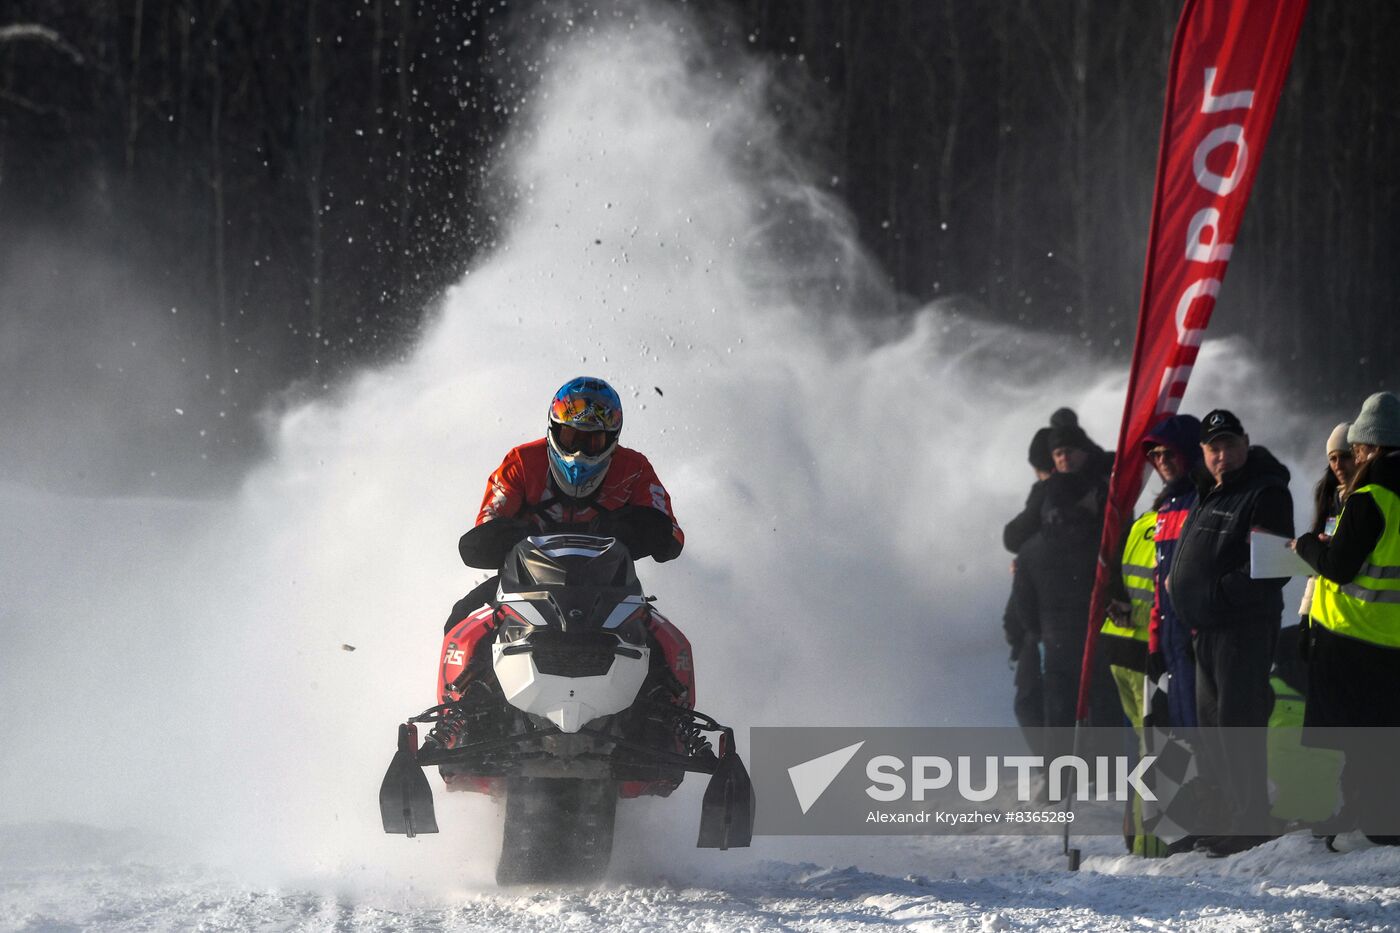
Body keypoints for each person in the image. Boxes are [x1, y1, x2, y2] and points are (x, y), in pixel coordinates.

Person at [426, 376, 685, 750]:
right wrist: (507, 532)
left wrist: (640, 528)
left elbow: (671, 536)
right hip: (526, 582)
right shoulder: (521, 462)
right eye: (570, 438)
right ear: (553, 431)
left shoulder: (634, 469)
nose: (579, 453)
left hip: (608, 585)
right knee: (465, 621)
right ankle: (463, 718)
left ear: (612, 439)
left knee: (658, 640)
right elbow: (484, 527)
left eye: (592, 441)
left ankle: (666, 723)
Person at [1168, 409, 1294, 857]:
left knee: (1239, 726)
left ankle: (1252, 821)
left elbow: (1273, 569)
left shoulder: (1266, 492)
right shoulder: (1209, 492)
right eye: (1213, 448)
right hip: (1205, 630)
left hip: (1243, 629)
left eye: (1228, 444)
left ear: (1245, 442)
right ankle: (1223, 819)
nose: (1221, 455)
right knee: (1213, 730)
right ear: (1203, 454)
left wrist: (1217, 595)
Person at [1292, 392, 1400, 847]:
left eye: (1356, 448)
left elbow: (1338, 566)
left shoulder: (1369, 498)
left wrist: (1306, 546)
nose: (1353, 457)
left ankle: (1375, 825)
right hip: (1391, 640)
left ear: (1371, 447)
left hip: (1351, 636)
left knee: (1357, 742)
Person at [1101, 414, 1199, 856]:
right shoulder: (1155, 517)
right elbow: (1133, 580)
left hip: (1143, 647)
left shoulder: (1168, 513)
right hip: (1135, 649)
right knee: (1152, 749)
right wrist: (1115, 599)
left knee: (1148, 748)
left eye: (1167, 453)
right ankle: (1149, 844)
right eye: (1155, 454)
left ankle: (1143, 838)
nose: (1160, 460)